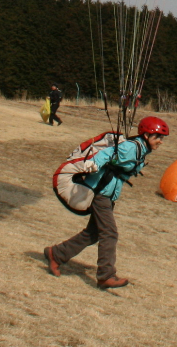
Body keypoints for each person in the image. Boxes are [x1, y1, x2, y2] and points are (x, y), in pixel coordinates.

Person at [44, 115, 169, 289]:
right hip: (100, 194)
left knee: (93, 233)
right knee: (110, 233)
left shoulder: (140, 150)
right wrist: (94, 163)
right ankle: (106, 275)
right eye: (158, 137)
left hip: (108, 195)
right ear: (146, 136)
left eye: (162, 138)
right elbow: (108, 153)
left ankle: (56, 254)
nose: (161, 141)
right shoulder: (132, 147)